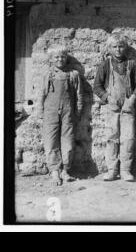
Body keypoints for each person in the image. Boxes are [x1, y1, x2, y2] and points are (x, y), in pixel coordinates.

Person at [94, 32, 136, 182]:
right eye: (114, 46)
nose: (118, 49)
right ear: (110, 48)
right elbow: (97, 86)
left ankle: (125, 170)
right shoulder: (105, 65)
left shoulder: (132, 64)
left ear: (125, 47)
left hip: (128, 107)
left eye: (121, 46)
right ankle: (112, 170)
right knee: (112, 138)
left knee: (128, 138)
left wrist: (133, 98)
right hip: (112, 107)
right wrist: (107, 98)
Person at [38, 44, 85, 186]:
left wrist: (78, 111)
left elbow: (79, 95)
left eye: (63, 57)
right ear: (51, 59)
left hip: (68, 111)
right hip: (50, 111)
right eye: (56, 57)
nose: (60, 59)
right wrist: (40, 110)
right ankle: (54, 171)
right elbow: (41, 94)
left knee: (68, 141)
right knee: (51, 140)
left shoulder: (73, 75)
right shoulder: (48, 74)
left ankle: (65, 169)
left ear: (67, 58)